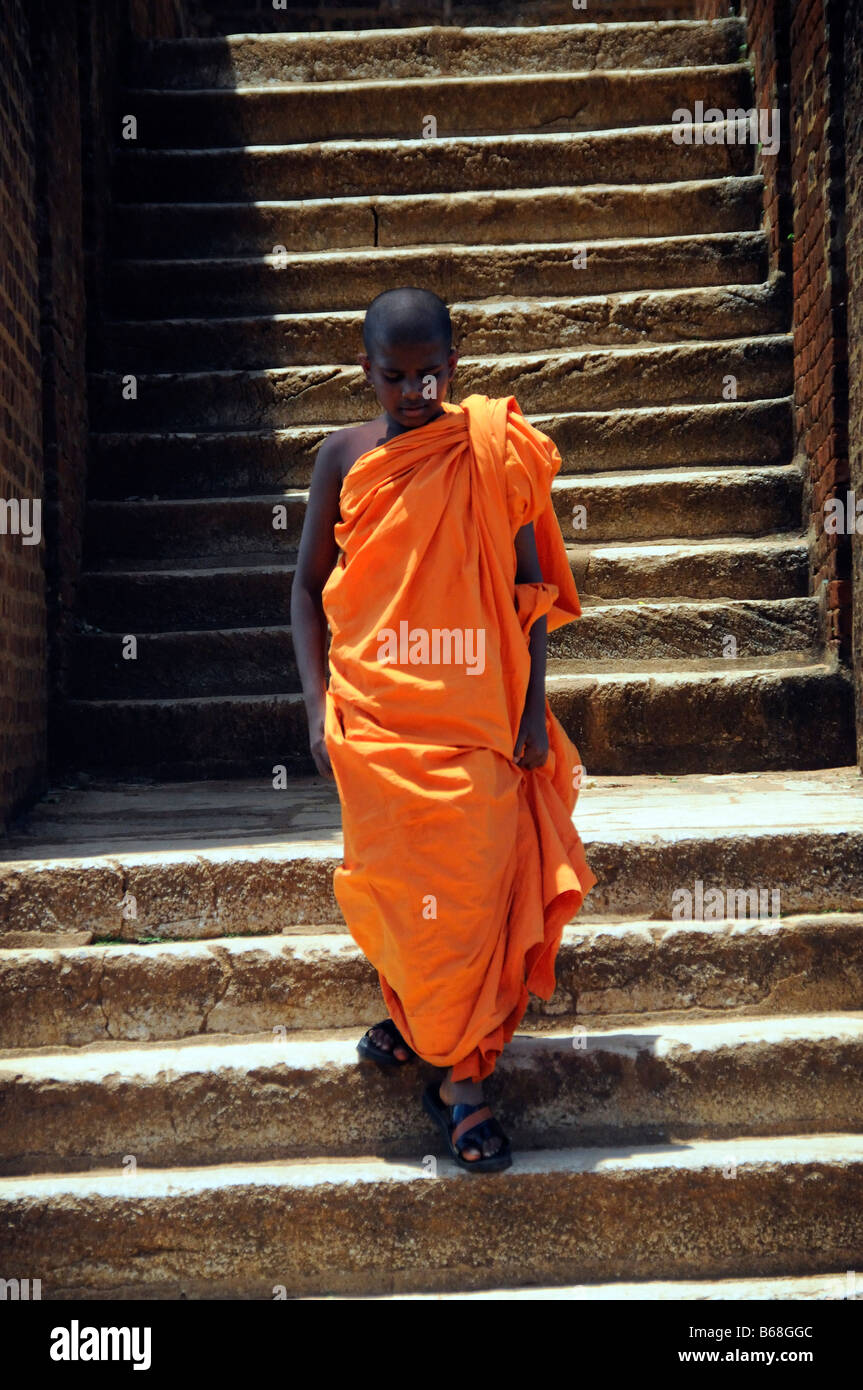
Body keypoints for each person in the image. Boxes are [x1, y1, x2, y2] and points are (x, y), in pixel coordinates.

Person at [290, 287, 596, 1172]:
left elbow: (528, 593)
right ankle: (422, 1018)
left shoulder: (493, 450)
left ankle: (461, 1080)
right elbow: (308, 592)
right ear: (366, 372)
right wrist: (317, 711)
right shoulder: (342, 458)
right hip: (376, 717)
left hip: (478, 717)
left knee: (469, 894)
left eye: (431, 375)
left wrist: (534, 705)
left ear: (454, 367)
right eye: (396, 378)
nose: (415, 394)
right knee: (396, 889)